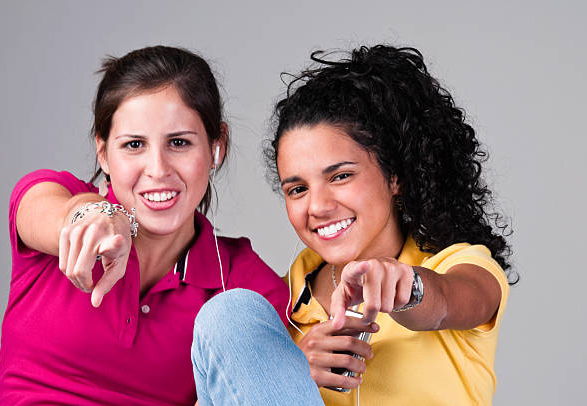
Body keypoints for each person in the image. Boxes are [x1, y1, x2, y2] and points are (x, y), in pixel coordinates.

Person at [191, 44, 514, 406]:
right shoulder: (280, 302)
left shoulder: (461, 267)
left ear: (394, 176)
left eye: (341, 176)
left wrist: (406, 286)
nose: (319, 206)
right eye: (298, 189)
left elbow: (449, 301)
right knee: (230, 315)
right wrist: (289, 372)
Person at [0, 45, 289, 406]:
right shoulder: (51, 204)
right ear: (103, 153)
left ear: (217, 147)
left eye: (179, 143)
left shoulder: (243, 284)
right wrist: (92, 216)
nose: (158, 169)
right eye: (134, 144)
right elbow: (46, 211)